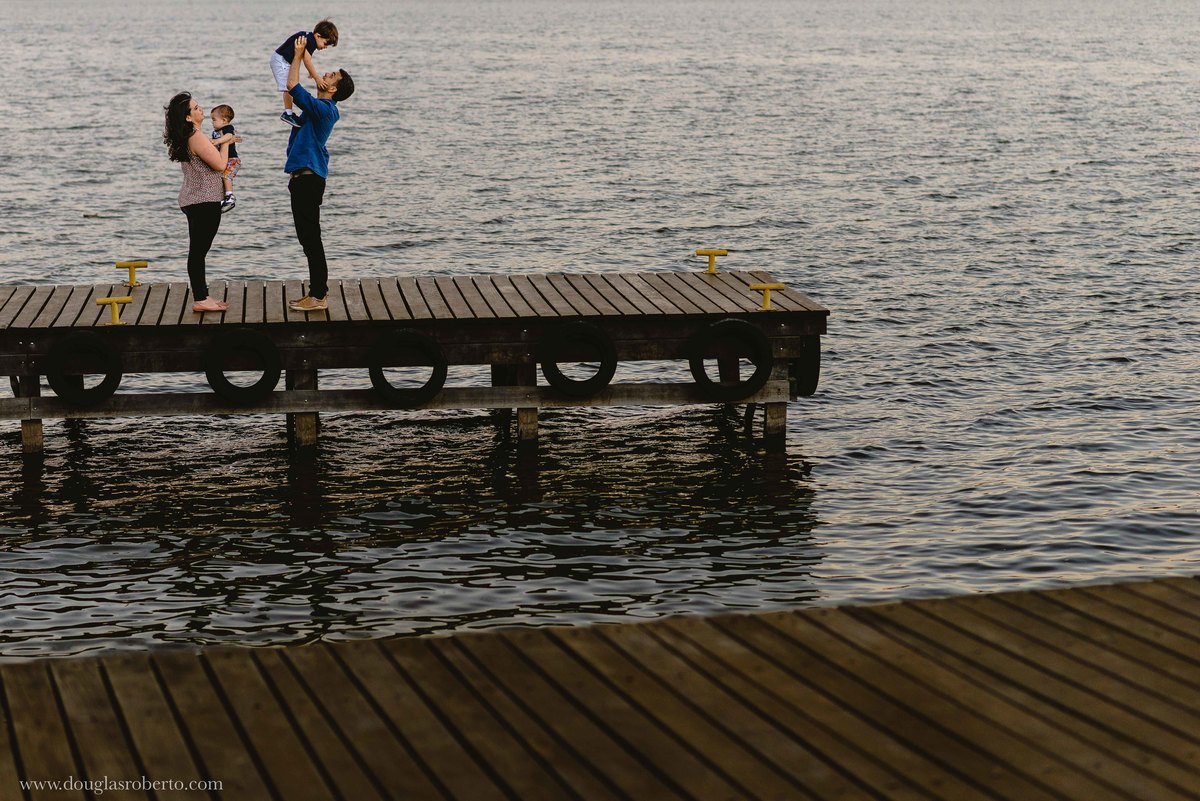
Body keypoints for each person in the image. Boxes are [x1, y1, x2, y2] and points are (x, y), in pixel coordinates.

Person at [283, 34, 355, 313]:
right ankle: (316, 293)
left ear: (334, 88)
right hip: (303, 178)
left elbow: (292, 85)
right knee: (308, 238)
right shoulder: (319, 109)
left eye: (331, 75)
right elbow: (291, 95)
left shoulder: (325, 109)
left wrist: (299, 54)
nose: (325, 73)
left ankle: (318, 295)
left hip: (309, 179)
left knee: (311, 238)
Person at [163, 92, 242, 313]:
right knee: (198, 252)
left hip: (194, 198)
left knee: (198, 251)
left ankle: (203, 296)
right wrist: (227, 142)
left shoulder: (191, 135)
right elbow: (219, 164)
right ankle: (200, 298)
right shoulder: (196, 136)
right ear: (188, 117)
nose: (201, 110)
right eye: (195, 108)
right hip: (204, 200)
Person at [271, 19, 338, 128]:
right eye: (326, 43)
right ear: (318, 36)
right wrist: (316, 77)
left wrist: (311, 72)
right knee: (288, 88)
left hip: (281, 60)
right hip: (280, 60)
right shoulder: (310, 41)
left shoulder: (309, 37)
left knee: (290, 87)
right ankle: (288, 114)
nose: (325, 47)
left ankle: (289, 113)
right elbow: (307, 60)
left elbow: (305, 59)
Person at [209, 104, 240, 213]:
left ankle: (230, 196)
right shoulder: (215, 132)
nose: (212, 122)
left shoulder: (228, 128)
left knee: (226, 177)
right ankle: (223, 197)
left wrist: (218, 141)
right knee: (221, 177)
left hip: (232, 159)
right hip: (223, 159)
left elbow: (229, 137)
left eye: (214, 119)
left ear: (224, 120)